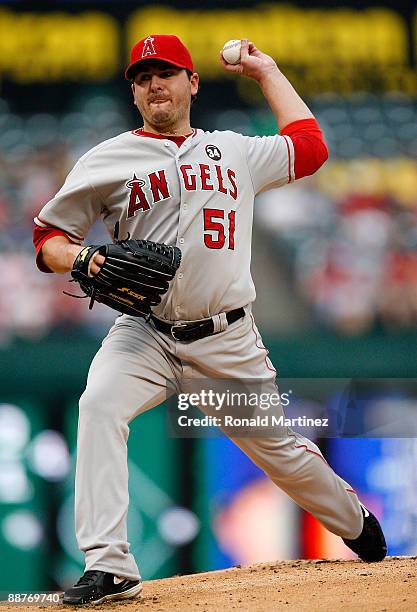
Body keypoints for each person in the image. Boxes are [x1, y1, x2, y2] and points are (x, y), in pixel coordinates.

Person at [33, 34, 387, 606]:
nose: (155, 84)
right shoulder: (108, 160)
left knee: (280, 452)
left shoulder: (235, 151)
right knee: (98, 405)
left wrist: (267, 70)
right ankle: (109, 565)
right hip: (144, 334)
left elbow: (311, 147)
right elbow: (47, 236)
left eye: (166, 73)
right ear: (134, 92)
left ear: (191, 83)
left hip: (226, 341)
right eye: (143, 77)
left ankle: (356, 524)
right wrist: (84, 257)